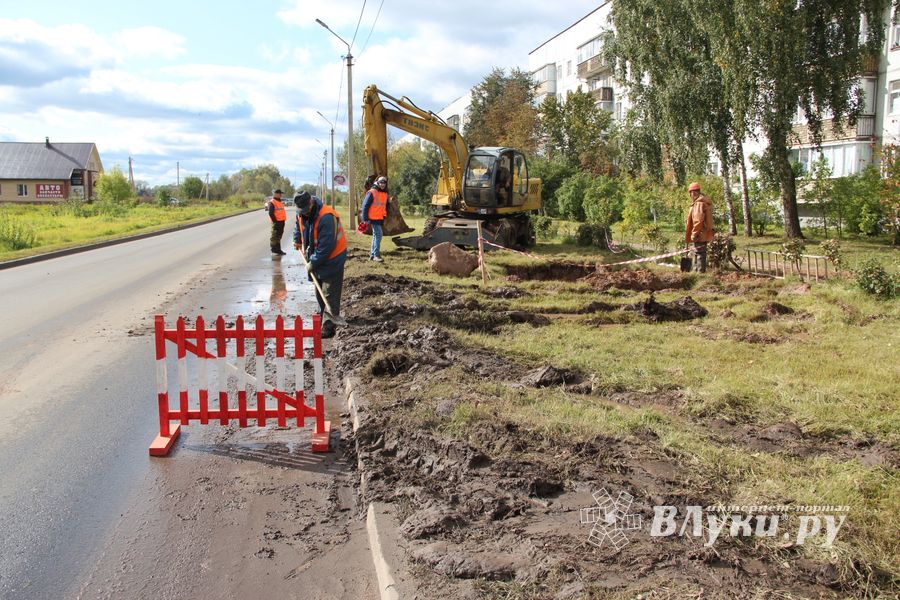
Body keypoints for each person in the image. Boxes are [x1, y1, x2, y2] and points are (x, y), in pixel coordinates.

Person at [293, 191, 347, 338]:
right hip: (317, 257)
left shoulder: (326, 217)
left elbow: (326, 247)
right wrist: (297, 239)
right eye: (301, 211)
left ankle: (328, 327)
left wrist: (313, 263)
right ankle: (321, 317)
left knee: (330, 292)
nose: (303, 213)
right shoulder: (302, 212)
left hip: (333, 257)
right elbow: (299, 226)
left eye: (305, 210)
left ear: (311, 202)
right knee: (319, 290)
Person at [685, 181, 715, 273]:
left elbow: (698, 220)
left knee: (699, 253)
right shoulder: (704, 202)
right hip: (704, 232)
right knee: (701, 252)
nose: (690, 196)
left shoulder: (699, 203)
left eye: (690, 193)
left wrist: (694, 234)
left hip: (700, 233)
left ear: (693, 193)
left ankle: (699, 274)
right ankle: (698, 272)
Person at [361, 175, 389, 262]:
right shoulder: (372, 192)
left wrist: (384, 215)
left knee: (375, 235)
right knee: (379, 234)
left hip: (379, 218)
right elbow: (365, 206)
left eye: (384, 183)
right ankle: (376, 255)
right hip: (372, 218)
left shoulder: (385, 193)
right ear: (377, 183)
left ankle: (372, 255)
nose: (382, 185)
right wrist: (365, 219)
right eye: (381, 183)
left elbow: (386, 205)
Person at [267, 189, 287, 255]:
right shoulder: (272, 202)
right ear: (275, 194)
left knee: (279, 236)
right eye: (279, 193)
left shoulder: (279, 201)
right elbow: (271, 213)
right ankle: (274, 250)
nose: (281, 195)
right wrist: (275, 222)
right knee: (274, 236)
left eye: (281, 193)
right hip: (276, 222)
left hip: (281, 221)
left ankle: (278, 250)